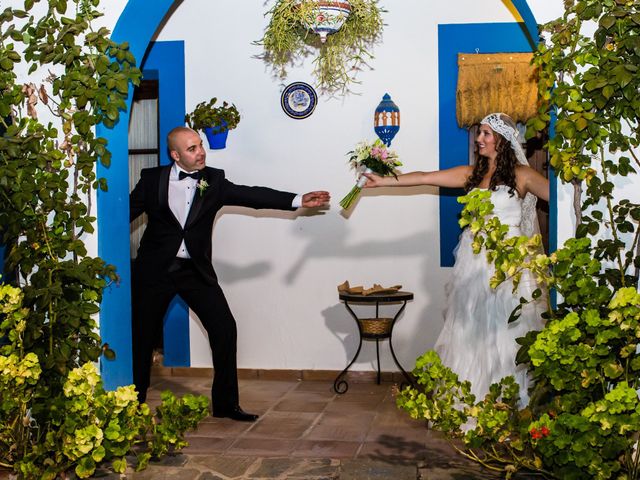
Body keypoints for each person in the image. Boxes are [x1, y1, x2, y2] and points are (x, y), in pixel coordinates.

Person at [129, 126, 330, 421]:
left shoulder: (214, 180)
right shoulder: (151, 180)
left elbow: (252, 196)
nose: (201, 153)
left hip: (194, 272)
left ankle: (225, 405)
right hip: (154, 271)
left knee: (225, 329)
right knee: (143, 336)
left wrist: (298, 199)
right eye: (192, 149)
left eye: (200, 146)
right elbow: (121, 218)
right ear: (175, 155)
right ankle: (134, 402)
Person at [362, 113, 548, 405]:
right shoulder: (471, 174)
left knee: (509, 330)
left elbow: (558, 198)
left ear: (503, 139)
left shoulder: (523, 176)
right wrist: (384, 180)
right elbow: (424, 177)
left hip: (509, 265)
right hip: (474, 265)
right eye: (480, 133)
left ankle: (510, 402)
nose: (479, 139)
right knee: (472, 328)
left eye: (486, 134)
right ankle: (474, 400)